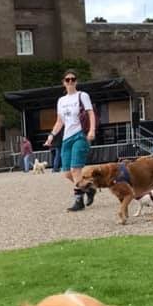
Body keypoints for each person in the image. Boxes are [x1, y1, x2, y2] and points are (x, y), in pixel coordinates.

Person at [44, 70, 96, 211]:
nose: (71, 82)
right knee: (67, 172)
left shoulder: (82, 96)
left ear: (76, 81)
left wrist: (92, 130)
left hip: (80, 135)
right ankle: (88, 188)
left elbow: (91, 113)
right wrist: (51, 135)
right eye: (68, 80)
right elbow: (59, 121)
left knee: (75, 169)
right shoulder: (61, 101)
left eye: (73, 79)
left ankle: (78, 201)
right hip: (66, 137)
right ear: (64, 82)